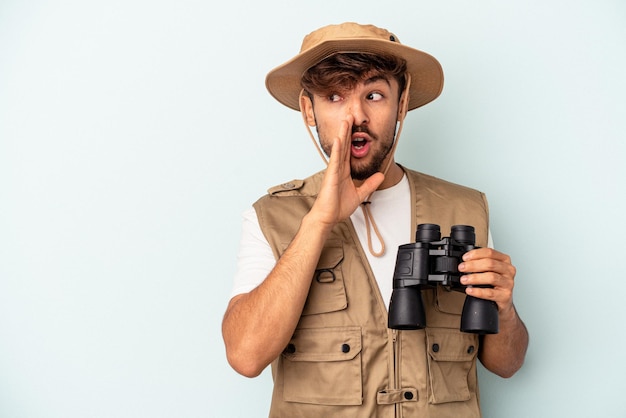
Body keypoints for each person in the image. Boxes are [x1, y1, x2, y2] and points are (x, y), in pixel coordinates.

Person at [222, 22, 528, 417]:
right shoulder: (270, 216)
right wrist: (318, 222)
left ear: (401, 105)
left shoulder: (465, 209)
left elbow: (507, 364)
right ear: (307, 110)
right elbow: (245, 356)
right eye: (334, 96)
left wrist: (505, 308)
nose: (356, 116)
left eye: (374, 94)